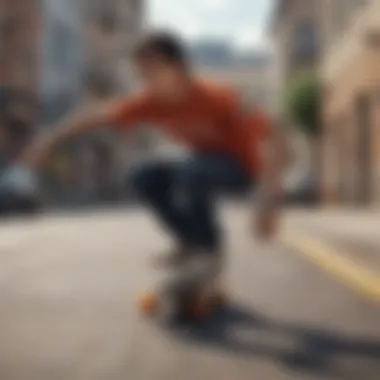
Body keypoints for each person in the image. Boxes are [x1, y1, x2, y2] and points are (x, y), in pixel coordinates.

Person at [2, 31, 289, 265]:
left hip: (241, 169)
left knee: (193, 172)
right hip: (200, 167)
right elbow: (94, 115)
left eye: (153, 71)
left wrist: (269, 201)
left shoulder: (221, 98)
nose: (146, 80)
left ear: (179, 69)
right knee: (142, 175)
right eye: (141, 73)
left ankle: (207, 250)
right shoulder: (148, 103)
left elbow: (276, 135)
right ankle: (189, 242)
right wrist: (47, 141)